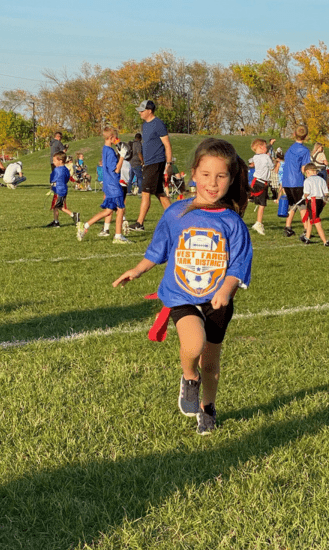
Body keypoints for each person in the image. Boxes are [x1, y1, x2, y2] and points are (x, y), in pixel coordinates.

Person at [113, 138, 252, 435]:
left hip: (217, 302)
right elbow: (158, 249)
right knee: (193, 344)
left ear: (231, 179)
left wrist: (226, 290)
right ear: (193, 173)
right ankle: (189, 377)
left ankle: (207, 407)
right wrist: (137, 270)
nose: (212, 183)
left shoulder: (233, 222)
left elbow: (238, 266)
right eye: (205, 175)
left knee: (212, 366)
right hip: (181, 296)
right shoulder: (176, 212)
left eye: (221, 176)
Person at [77, 127, 130, 244]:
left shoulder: (105, 149)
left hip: (107, 184)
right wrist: (122, 157)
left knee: (108, 211)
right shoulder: (110, 152)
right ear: (111, 138)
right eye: (115, 138)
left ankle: (85, 226)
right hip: (113, 184)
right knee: (120, 209)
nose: (117, 140)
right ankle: (118, 236)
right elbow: (115, 170)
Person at [128, 100, 173, 231]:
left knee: (145, 192)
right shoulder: (144, 126)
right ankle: (176, 219)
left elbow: (167, 145)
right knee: (160, 193)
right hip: (148, 163)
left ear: (149, 111)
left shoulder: (158, 124)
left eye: (142, 110)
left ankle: (139, 223)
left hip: (156, 162)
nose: (140, 112)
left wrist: (169, 164)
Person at [282, 124, 311, 237]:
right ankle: (306, 229)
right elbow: (304, 168)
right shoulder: (304, 151)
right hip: (297, 181)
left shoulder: (290, 149)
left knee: (292, 204)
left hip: (286, 181)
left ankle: (288, 227)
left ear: (294, 134)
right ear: (306, 136)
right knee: (302, 205)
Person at [301, 163, 329, 246]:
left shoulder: (307, 181)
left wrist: (303, 197)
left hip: (312, 201)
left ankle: (325, 241)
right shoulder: (321, 180)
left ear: (308, 172)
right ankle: (307, 238)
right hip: (320, 201)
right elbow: (326, 193)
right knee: (310, 219)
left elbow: (307, 193)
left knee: (316, 221)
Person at [47, 152, 80, 228]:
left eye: (55, 161)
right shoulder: (66, 169)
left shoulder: (57, 170)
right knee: (56, 206)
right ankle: (56, 222)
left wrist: (52, 184)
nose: (53, 162)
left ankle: (73, 215)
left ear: (60, 161)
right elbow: (68, 177)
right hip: (64, 189)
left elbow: (52, 179)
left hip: (58, 190)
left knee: (57, 206)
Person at [248, 138, 274, 235]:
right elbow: (271, 167)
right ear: (261, 147)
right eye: (265, 146)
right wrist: (269, 157)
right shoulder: (266, 157)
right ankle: (258, 223)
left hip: (256, 181)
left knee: (252, 200)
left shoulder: (255, 157)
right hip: (262, 182)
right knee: (262, 204)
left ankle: (257, 222)